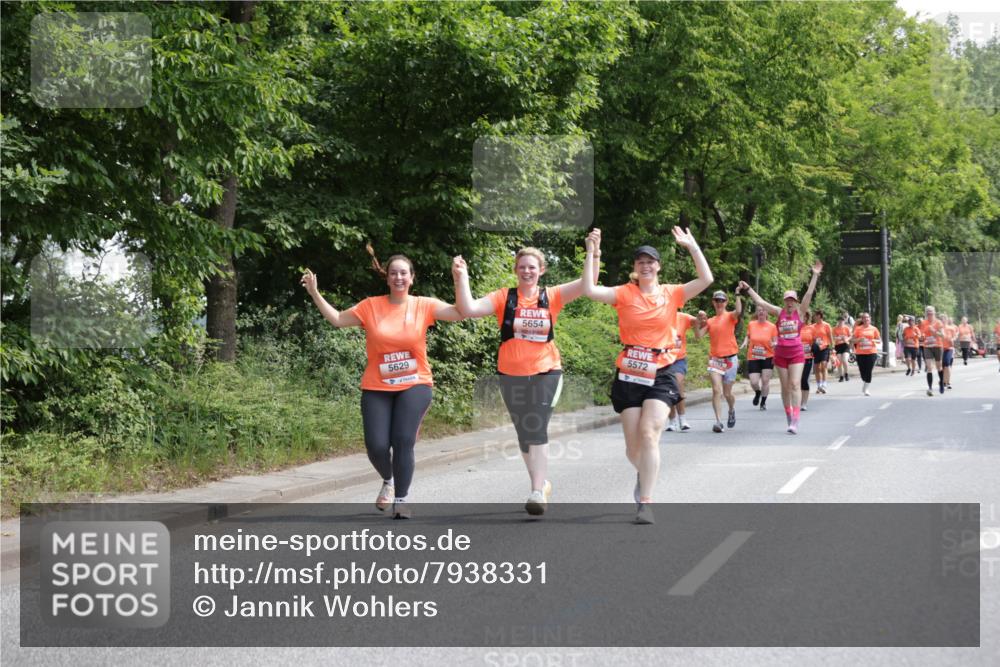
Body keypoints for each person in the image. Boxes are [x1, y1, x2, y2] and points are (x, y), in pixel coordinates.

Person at [301, 253, 464, 519]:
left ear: (411, 278)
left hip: (415, 383)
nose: (398, 277)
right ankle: (389, 479)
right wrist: (315, 292)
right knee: (376, 445)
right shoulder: (370, 306)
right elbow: (338, 320)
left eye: (403, 273)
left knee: (402, 440)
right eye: (393, 273)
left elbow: (459, 312)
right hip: (377, 385)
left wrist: (459, 278)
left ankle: (401, 500)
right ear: (387, 278)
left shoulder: (423, 305)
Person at [583, 227, 712, 524]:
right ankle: (644, 474)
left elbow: (706, 280)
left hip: (663, 367)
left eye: (650, 261)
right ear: (635, 268)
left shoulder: (672, 293)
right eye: (640, 261)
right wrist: (592, 252)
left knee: (650, 432)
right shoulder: (623, 294)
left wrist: (692, 246)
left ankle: (646, 502)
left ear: (658, 266)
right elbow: (590, 290)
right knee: (632, 447)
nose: (645, 265)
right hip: (630, 370)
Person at [451, 246, 586, 516]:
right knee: (524, 433)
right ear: (516, 270)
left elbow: (587, 284)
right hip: (510, 374)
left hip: (546, 370)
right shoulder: (504, 297)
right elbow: (468, 309)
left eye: (532, 267)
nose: (527, 271)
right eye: (522, 266)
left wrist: (593, 251)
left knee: (536, 426)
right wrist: (460, 277)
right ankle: (542, 483)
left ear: (541, 270)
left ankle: (537, 491)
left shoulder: (553, 295)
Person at [739, 260, 822, 434]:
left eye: (792, 300)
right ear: (785, 301)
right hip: (781, 354)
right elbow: (761, 301)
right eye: (787, 300)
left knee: (794, 384)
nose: (790, 303)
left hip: (797, 353)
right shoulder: (779, 312)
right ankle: (789, 415)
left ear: (796, 302)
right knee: (785, 388)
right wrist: (748, 289)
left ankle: (796, 420)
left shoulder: (800, 312)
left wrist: (815, 275)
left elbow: (808, 295)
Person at [697, 288, 743, 432]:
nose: (719, 303)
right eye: (717, 300)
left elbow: (739, 310)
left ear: (726, 302)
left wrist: (737, 294)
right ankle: (718, 421)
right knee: (717, 390)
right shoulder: (710, 321)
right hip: (715, 360)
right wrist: (698, 322)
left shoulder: (730, 316)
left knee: (727, 393)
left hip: (730, 359)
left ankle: (731, 409)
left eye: (722, 300)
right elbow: (698, 336)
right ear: (713, 302)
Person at [665, 309, 698, 432]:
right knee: (668, 390)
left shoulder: (683, 317)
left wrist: (700, 317)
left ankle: (682, 419)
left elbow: (697, 322)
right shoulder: (659, 315)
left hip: (679, 359)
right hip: (664, 360)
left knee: (677, 385)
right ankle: (672, 420)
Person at [740, 307, 777, 411]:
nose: (761, 311)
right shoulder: (752, 324)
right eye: (759, 310)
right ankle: (757, 392)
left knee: (765, 381)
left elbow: (776, 341)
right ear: (757, 312)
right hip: (754, 356)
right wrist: (745, 342)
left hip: (768, 356)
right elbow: (748, 336)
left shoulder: (772, 326)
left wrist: (775, 344)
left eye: (763, 310)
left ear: (766, 313)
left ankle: (763, 402)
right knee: (754, 382)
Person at [851, 312, 881, 396]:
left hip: (871, 352)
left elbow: (879, 340)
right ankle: (865, 381)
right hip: (860, 352)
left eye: (868, 317)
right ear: (862, 319)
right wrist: (859, 340)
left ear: (870, 319)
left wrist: (872, 340)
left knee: (869, 370)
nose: (866, 319)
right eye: (864, 318)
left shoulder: (874, 329)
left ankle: (866, 388)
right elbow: (853, 340)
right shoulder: (858, 328)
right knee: (862, 371)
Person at [919, 306, 945, 396]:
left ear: (934, 313)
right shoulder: (923, 323)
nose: (929, 314)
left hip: (937, 346)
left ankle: (941, 382)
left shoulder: (938, 322)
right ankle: (930, 388)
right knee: (929, 367)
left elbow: (942, 335)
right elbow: (922, 334)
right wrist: (921, 337)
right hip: (927, 346)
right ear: (926, 314)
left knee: (939, 367)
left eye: (931, 312)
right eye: (928, 313)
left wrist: (934, 331)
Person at [811, 310, 833, 393]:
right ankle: (819, 385)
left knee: (824, 365)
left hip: (825, 347)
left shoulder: (826, 325)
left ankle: (824, 384)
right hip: (816, 349)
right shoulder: (812, 326)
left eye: (815, 315)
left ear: (819, 316)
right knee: (817, 367)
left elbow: (830, 337)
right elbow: (811, 338)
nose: (814, 317)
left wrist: (833, 347)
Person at [799, 314, 815, 411]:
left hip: (808, 357)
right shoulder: (795, 328)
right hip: (796, 358)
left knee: (804, 379)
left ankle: (804, 402)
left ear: (806, 317)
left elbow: (816, 340)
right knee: (797, 380)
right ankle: (798, 401)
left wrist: (815, 345)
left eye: (804, 316)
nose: (802, 318)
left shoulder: (811, 328)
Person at [833, 315, 852, 382]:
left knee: (844, 360)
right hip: (838, 346)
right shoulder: (835, 328)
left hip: (845, 345)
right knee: (839, 362)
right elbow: (834, 338)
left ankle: (846, 374)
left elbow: (850, 336)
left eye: (842, 321)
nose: (841, 322)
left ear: (844, 321)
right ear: (838, 321)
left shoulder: (846, 328)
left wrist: (846, 338)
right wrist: (839, 338)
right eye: (840, 321)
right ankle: (841, 376)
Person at [941, 314, 957, 389]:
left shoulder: (951, 328)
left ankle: (948, 382)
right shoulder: (939, 328)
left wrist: (952, 339)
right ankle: (944, 381)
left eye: (944, 319)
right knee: (943, 366)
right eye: (941, 319)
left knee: (947, 364)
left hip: (949, 348)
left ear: (947, 320)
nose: (943, 320)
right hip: (941, 349)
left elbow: (955, 337)